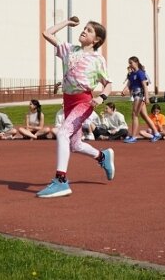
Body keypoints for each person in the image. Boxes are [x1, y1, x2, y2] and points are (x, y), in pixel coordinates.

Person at [37, 16, 114, 198]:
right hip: (68, 101)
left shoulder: (97, 59)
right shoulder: (69, 49)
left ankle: (61, 181)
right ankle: (103, 157)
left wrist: (101, 98)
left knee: (62, 133)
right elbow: (46, 33)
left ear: (96, 40)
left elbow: (108, 84)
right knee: (75, 144)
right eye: (84, 28)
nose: (84, 31)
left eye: (89, 30)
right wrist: (67, 23)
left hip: (84, 102)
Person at [120, 56, 161, 143]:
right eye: (129, 63)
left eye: (131, 63)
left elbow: (145, 86)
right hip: (135, 95)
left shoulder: (140, 73)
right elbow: (129, 85)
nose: (130, 65)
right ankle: (156, 133)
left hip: (140, 95)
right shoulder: (132, 74)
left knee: (134, 115)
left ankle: (133, 137)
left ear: (136, 62)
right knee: (144, 116)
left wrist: (147, 98)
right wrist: (124, 91)